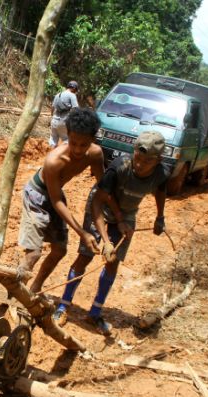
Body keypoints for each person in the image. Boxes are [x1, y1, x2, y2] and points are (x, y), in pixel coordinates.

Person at [53, 131, 171, 334]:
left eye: (147, 161)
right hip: (101, 208)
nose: (140, 164)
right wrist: (106, 240)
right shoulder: (119, 168)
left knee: (112, 261)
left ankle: (95, 313)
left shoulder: (162, 173)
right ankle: (63, 306)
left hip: (127, 212)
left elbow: (160, 191)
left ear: (158, 160)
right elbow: (99, 201)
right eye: (138, 158)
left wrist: (160, 217)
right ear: (133, 151)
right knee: (86, 255)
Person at [17, 108, 109, 293]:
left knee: (59, 250)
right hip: (36, 195)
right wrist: (82, 232)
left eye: (84, 145)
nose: (77, 149)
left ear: (93, 139)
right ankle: (13, 296)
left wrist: (112, 225)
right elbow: (56, 200)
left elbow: (103, 187)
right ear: (67, 135)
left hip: (55, 193)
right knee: (34, 253)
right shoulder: (54, 161)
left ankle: (34, 290)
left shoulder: (96, 154)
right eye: (73, 142)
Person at [49, 80, 80, 148]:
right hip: (64, 121)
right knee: (67, 140)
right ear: (74, 88)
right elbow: (76, 109)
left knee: (53, 139)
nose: (76, 91)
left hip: (54, 120)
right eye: (76, 89)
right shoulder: (72, 95)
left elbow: (52, 107)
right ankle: (63, 156)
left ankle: (50, 154)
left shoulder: (58, 95)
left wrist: (51, 117)